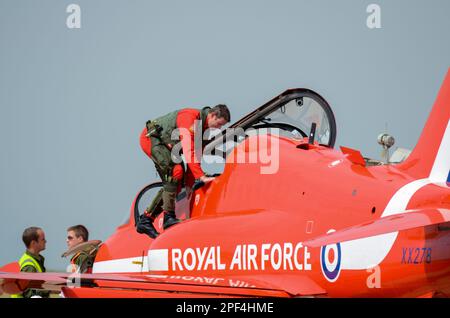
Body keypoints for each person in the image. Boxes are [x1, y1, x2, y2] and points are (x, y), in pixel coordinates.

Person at [137, 104, 230, 238]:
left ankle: (146, 219)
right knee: (176, 171)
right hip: (151, 140)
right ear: (213, 115)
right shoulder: (190, 118)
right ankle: (168, 218)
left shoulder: (203, 129)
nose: (219, 128)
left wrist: (189, 185)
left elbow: (197, 156)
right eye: (219, 124)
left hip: (167, 146)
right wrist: (201, 176)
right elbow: (188, 151)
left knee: (178, 180)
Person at [11, 227, 50, 298]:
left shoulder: (33, 260)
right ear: (33, 243)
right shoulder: (29, 265)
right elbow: (31, 294)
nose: (46, 241)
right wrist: (50, 287)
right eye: (43, 239)